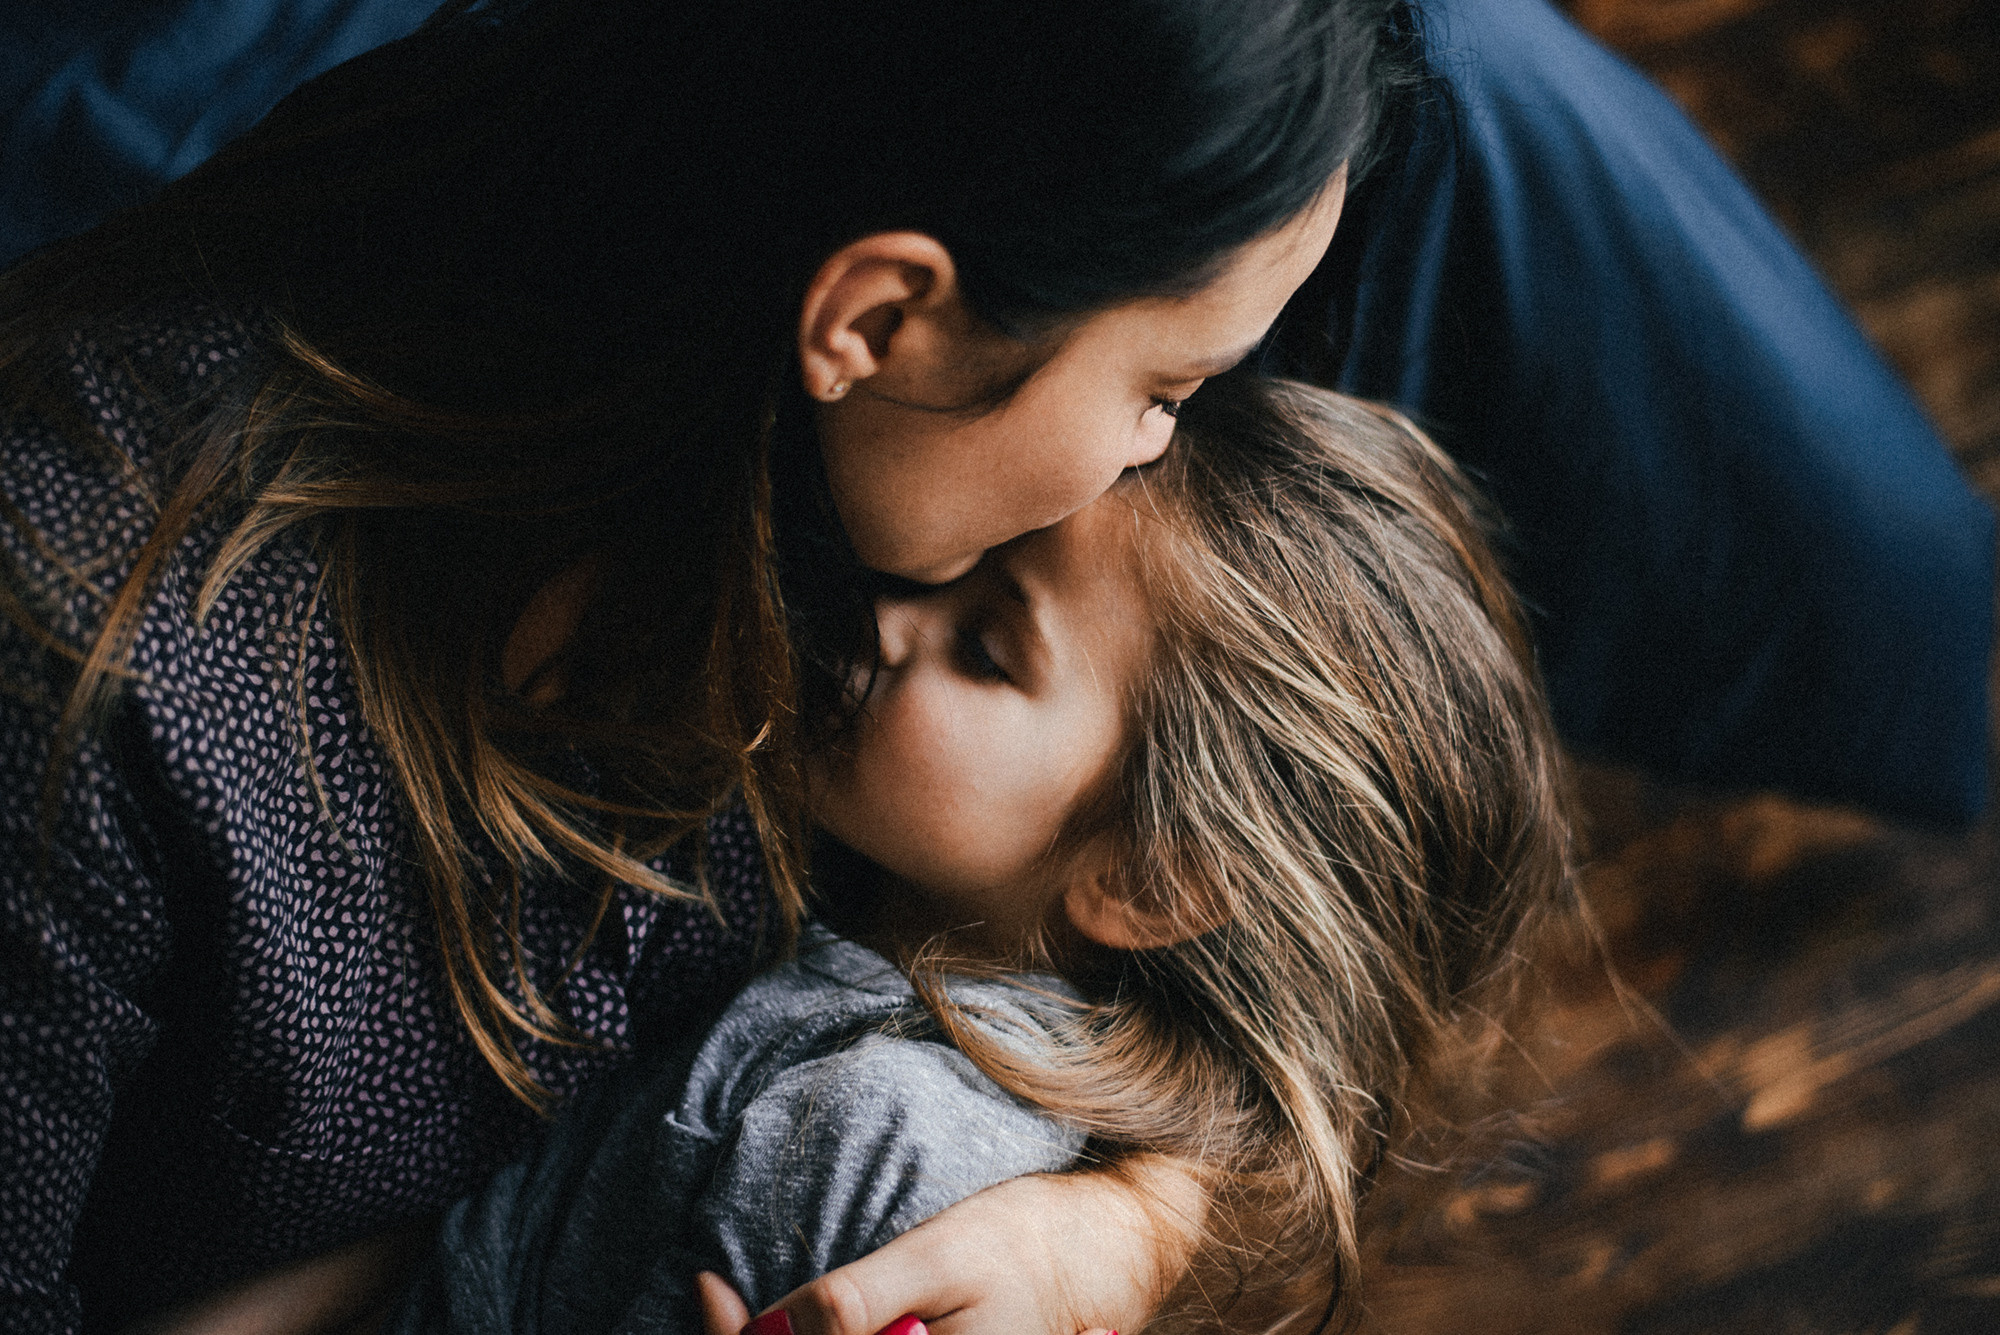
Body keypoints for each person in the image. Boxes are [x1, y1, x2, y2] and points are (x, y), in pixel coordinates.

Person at [0, 1, 1390, 1331]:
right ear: (878, 315)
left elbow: (1254, 881)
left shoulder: (836, 476)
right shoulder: (89, 675)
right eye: (1165, 392)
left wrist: (1134, 1219)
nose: (1147, 464)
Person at [384, 375, 1572, 1335]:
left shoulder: (877, 1142)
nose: (900, 604)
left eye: (988, 648)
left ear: (1150, 881)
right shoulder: (900, 893)